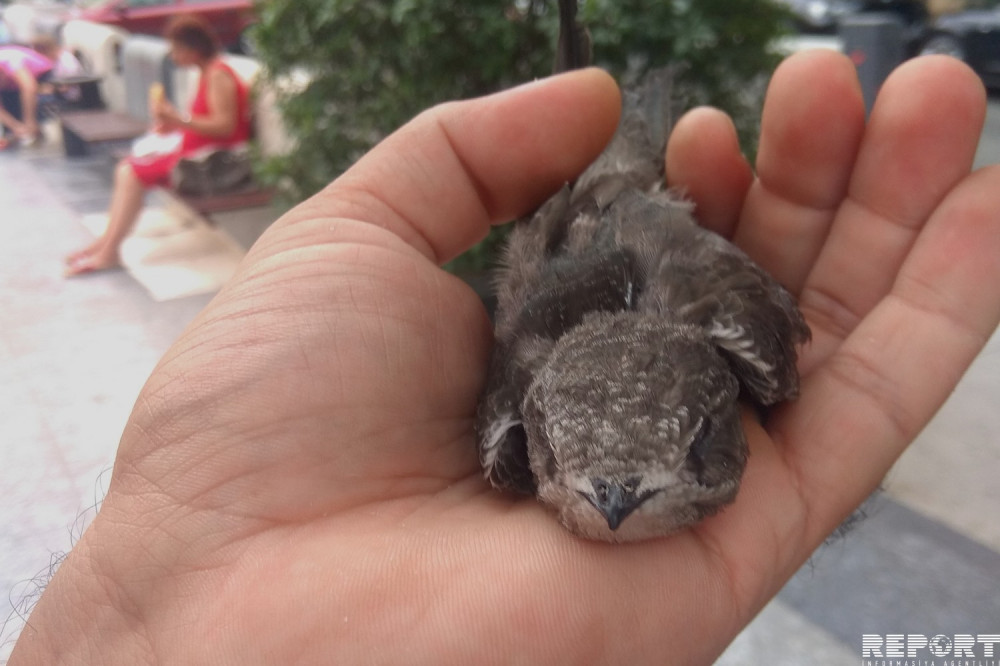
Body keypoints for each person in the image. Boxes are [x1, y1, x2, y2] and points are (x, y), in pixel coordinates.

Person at [9, 51, 1000, 664]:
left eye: (684, 460)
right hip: (589, 235)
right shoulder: (513, 421)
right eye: (569, 468)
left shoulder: (721, 330)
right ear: (534, 444)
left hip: (627, 232)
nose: (610, 501)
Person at [63, 14, 251, 276]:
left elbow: (225, 127)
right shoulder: (208, 72)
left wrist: (179, 120)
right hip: (192, 151)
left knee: (130, 172)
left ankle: (109, 250)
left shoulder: (218, 75)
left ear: (193, 49)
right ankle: (106, 243)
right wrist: (173, 123)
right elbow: (204, 121)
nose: (173, 57)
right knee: (127, 169)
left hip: (209, 161)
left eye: (176, 49)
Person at [0, 44, 53, 148]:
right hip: (13, 85)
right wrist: (15, 126)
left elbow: (29, 87)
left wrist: (30, 121)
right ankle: (21, 133)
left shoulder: (12, 62)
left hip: (41, 74)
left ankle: (35, 128)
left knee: (34, 106)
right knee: (14, 123)